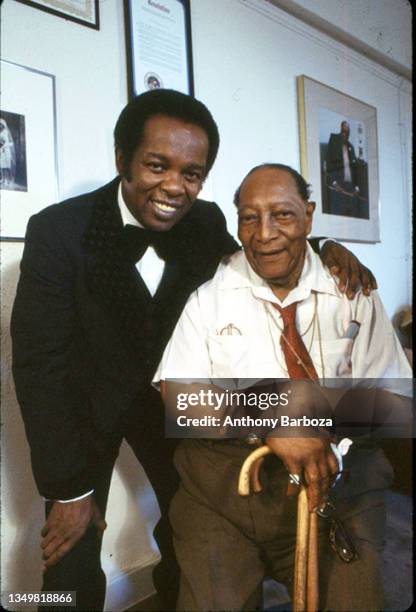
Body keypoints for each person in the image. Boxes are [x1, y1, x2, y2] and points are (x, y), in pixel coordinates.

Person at [11, 89, 375, 612]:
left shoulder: (202, 222)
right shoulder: (56, 231)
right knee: (70, 548)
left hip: (166, 397)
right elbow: (39, 366)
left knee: (191, 521)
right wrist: (68, 493)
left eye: (192, 173)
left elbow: (255, 255)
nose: (175, 187)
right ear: (122, 159)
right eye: (158, 165)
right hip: (84, 403)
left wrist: (322, 249)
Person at [155, 164, 412, 611]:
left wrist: (300, 412)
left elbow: (395, 405)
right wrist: (273, 418)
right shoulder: (211, 295)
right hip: (224, 493)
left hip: (342, 489)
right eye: (249, 218)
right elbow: (179, 399)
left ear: (309, 217)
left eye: (283, 215)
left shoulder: (355, 292)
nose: (264, 234)